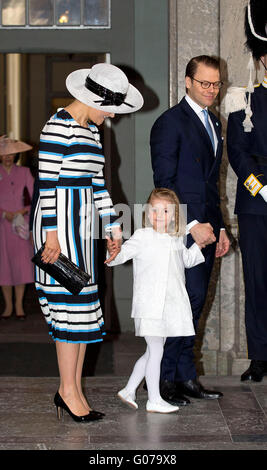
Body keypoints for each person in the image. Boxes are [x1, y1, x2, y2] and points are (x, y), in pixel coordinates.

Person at [32, 63, 143, 422]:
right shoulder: (57, 126)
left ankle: (72, 388)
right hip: (58, 227)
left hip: (81, 226)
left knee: (82, 311)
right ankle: (67, 390)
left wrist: (113, 227)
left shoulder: (92, 132)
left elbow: (98, 185)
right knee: (68, 309)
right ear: (93, 98)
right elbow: (46, 185)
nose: (112, 115)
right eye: (110, 107)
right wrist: (51, 235)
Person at [150, 55, 230, 406]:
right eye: (205, 83)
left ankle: (185, 376)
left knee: (194, 304)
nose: (212, 90)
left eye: (216, 84)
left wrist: (222, 227)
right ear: (187, 82)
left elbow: (211, 184)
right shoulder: (170, 123)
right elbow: (164, 184)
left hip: (209, 229)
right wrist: (194, 225)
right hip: (182, 230)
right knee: (179, 305)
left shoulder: (215, 122)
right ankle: (164, 379)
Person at [106, 188, 205, 413]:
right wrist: (113, 251)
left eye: (165, 210)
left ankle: (129, 390)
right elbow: (120, 256)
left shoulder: (177, 238)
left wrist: (199, 245)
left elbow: (187, 261)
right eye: (154, 210)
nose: (159, 215)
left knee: (152, 351)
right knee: (156, 351)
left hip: (168, 307)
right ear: (147, 212)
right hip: (149, 305)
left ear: (174, 215)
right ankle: (154, 399)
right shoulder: (142, 236)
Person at [227, 0, 267, 382]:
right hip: (257, 205)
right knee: (256, 281)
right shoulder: (244, 98)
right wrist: (263, 189)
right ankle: (259, 356)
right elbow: (238, 153)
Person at [0, 136, 34, 320]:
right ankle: (8, 306)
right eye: (5, 154)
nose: (8, 157)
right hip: (2, 226)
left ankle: (19, 305)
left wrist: (24, 211)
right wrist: (4, 213)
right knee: (3, 266)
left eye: (11, 154)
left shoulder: (24, 172)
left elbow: (36, 196)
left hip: (20, 224)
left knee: (21, 265)